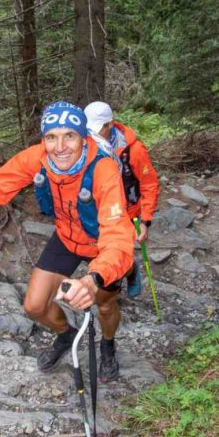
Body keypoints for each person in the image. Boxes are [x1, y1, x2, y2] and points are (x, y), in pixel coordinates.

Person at [0, 101, 134, 382]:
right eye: (51, 137)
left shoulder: (102, 169)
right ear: (43, 139)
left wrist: (92, 281)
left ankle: (107, 346)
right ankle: (66, 336)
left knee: (105, 305)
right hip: (68, 238)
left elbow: (118, 236)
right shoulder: (37, 158)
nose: (60, 147)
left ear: (83, 137)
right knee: (34, 306)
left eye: (69, 135)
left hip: (102, 245)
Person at [84, 101, 161, 297]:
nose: (93, 134)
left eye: (98, 129)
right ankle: (121, 275)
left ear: (110, 124)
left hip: (128, 213)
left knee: (118, 252)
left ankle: (127, 274)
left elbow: (149, 184)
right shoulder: (86, 144)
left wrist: (145, 221)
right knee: (101, 251)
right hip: (100, 210)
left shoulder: (133, 150)